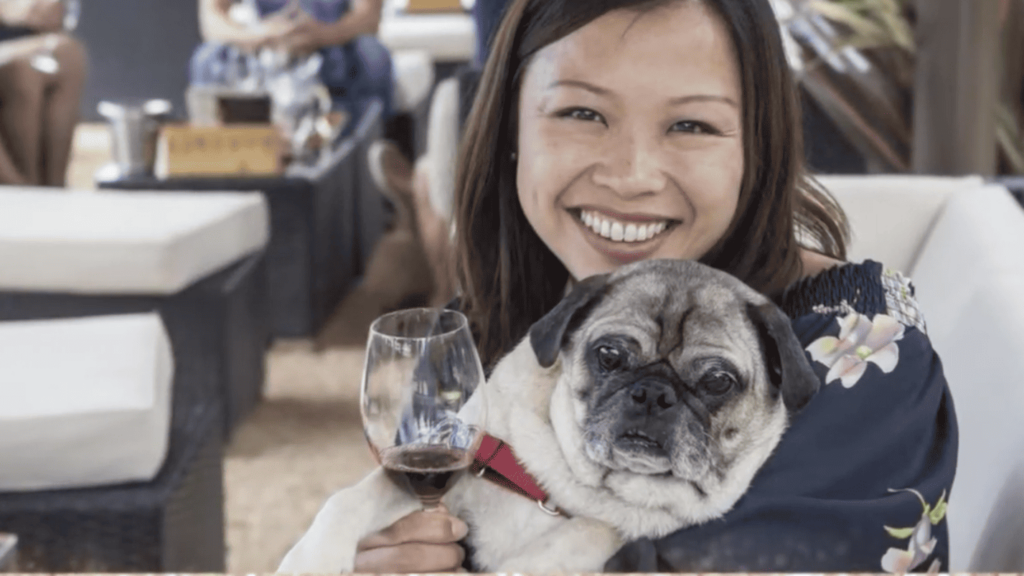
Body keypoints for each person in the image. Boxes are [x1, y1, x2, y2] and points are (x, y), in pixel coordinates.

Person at [321, 0, 958, 571]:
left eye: (691, 125)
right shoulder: (484, 329)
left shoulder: (862, 360)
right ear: (511, 130)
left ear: (757, 147)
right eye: (581, 112)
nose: (631, 175)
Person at [191, 0, 393, 121]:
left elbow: (369, 17)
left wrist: (322, 34)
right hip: (263, 45)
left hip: (332, 44)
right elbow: (211, 20)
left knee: (374, 56)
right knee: (207, 59)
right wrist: (261, 36)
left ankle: (363, 164)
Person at [0, 0, 87, 186]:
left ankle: (53, 186)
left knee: (69, 53)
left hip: (15, 39)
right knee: (20, 75)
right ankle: (25, 187)